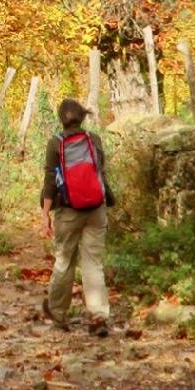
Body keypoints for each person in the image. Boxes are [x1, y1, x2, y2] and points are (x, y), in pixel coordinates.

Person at [41, 99, 114, 337]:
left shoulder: (55, 143)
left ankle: (58, 313)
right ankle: (99, 316)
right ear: (82, 117)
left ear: (61, 119)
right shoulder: (94, 139)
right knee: (93, 263)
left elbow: (50, 180)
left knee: (64, 261)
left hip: (69, 211)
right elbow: (100, 171)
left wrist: (45, 213)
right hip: (96, 209)